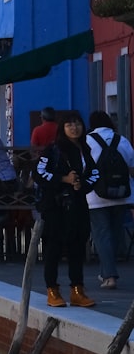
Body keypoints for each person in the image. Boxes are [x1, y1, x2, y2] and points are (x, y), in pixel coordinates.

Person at [34, 110, 96, 308]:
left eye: (77, 123)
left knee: (78, 247)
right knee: (53, 248)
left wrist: (82, 185)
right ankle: (52, 290)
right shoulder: (53, 150)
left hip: (78, 205)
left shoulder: (85, 149)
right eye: (69, 124)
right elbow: (38, 173)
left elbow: (95, 174)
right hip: (56, 206)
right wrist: (63, 180)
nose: (74, 127)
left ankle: (77, 290)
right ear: (63, 128)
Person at [85, 110, 134, 290]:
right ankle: (106, 270)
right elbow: (132, 167)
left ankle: (109, 275)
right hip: (122, 195)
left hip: (95, 197)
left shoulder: (88, 141)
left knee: (102, 235)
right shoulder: (122, 140)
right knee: (113, 234)